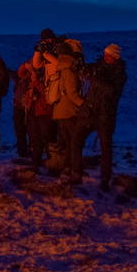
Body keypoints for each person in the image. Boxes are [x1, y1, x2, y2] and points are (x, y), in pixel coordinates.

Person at [87, 43, 128, 191]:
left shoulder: (119, 73)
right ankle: (75, 169)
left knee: (106, 146)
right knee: (76, 136)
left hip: (106, 113)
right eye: (105, 54)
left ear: (115, 57)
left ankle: (105, 177)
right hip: (92, 110)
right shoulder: (99, 67)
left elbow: (111, 91)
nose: (105, 56)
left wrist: (94, 79)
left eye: (108, 55)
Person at [43, 40, 85, 181]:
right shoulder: (70, 69)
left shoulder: (62, 67)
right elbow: (72, 93)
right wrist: (85, 105)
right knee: (75, 142)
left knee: (68, 142)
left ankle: (66, 169)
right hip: (69, 111)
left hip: (61, 111)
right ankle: (75, 171)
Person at [18, 50, 52, 172]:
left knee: (46, 136)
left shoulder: (47, 72)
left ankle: (52, 161)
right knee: (34, 136)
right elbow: (20, 73)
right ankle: (36, 161)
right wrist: (26, 66)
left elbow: (47, 93)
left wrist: (36, 80)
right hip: (33, 109)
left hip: (43, 110)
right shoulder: (30, 77)